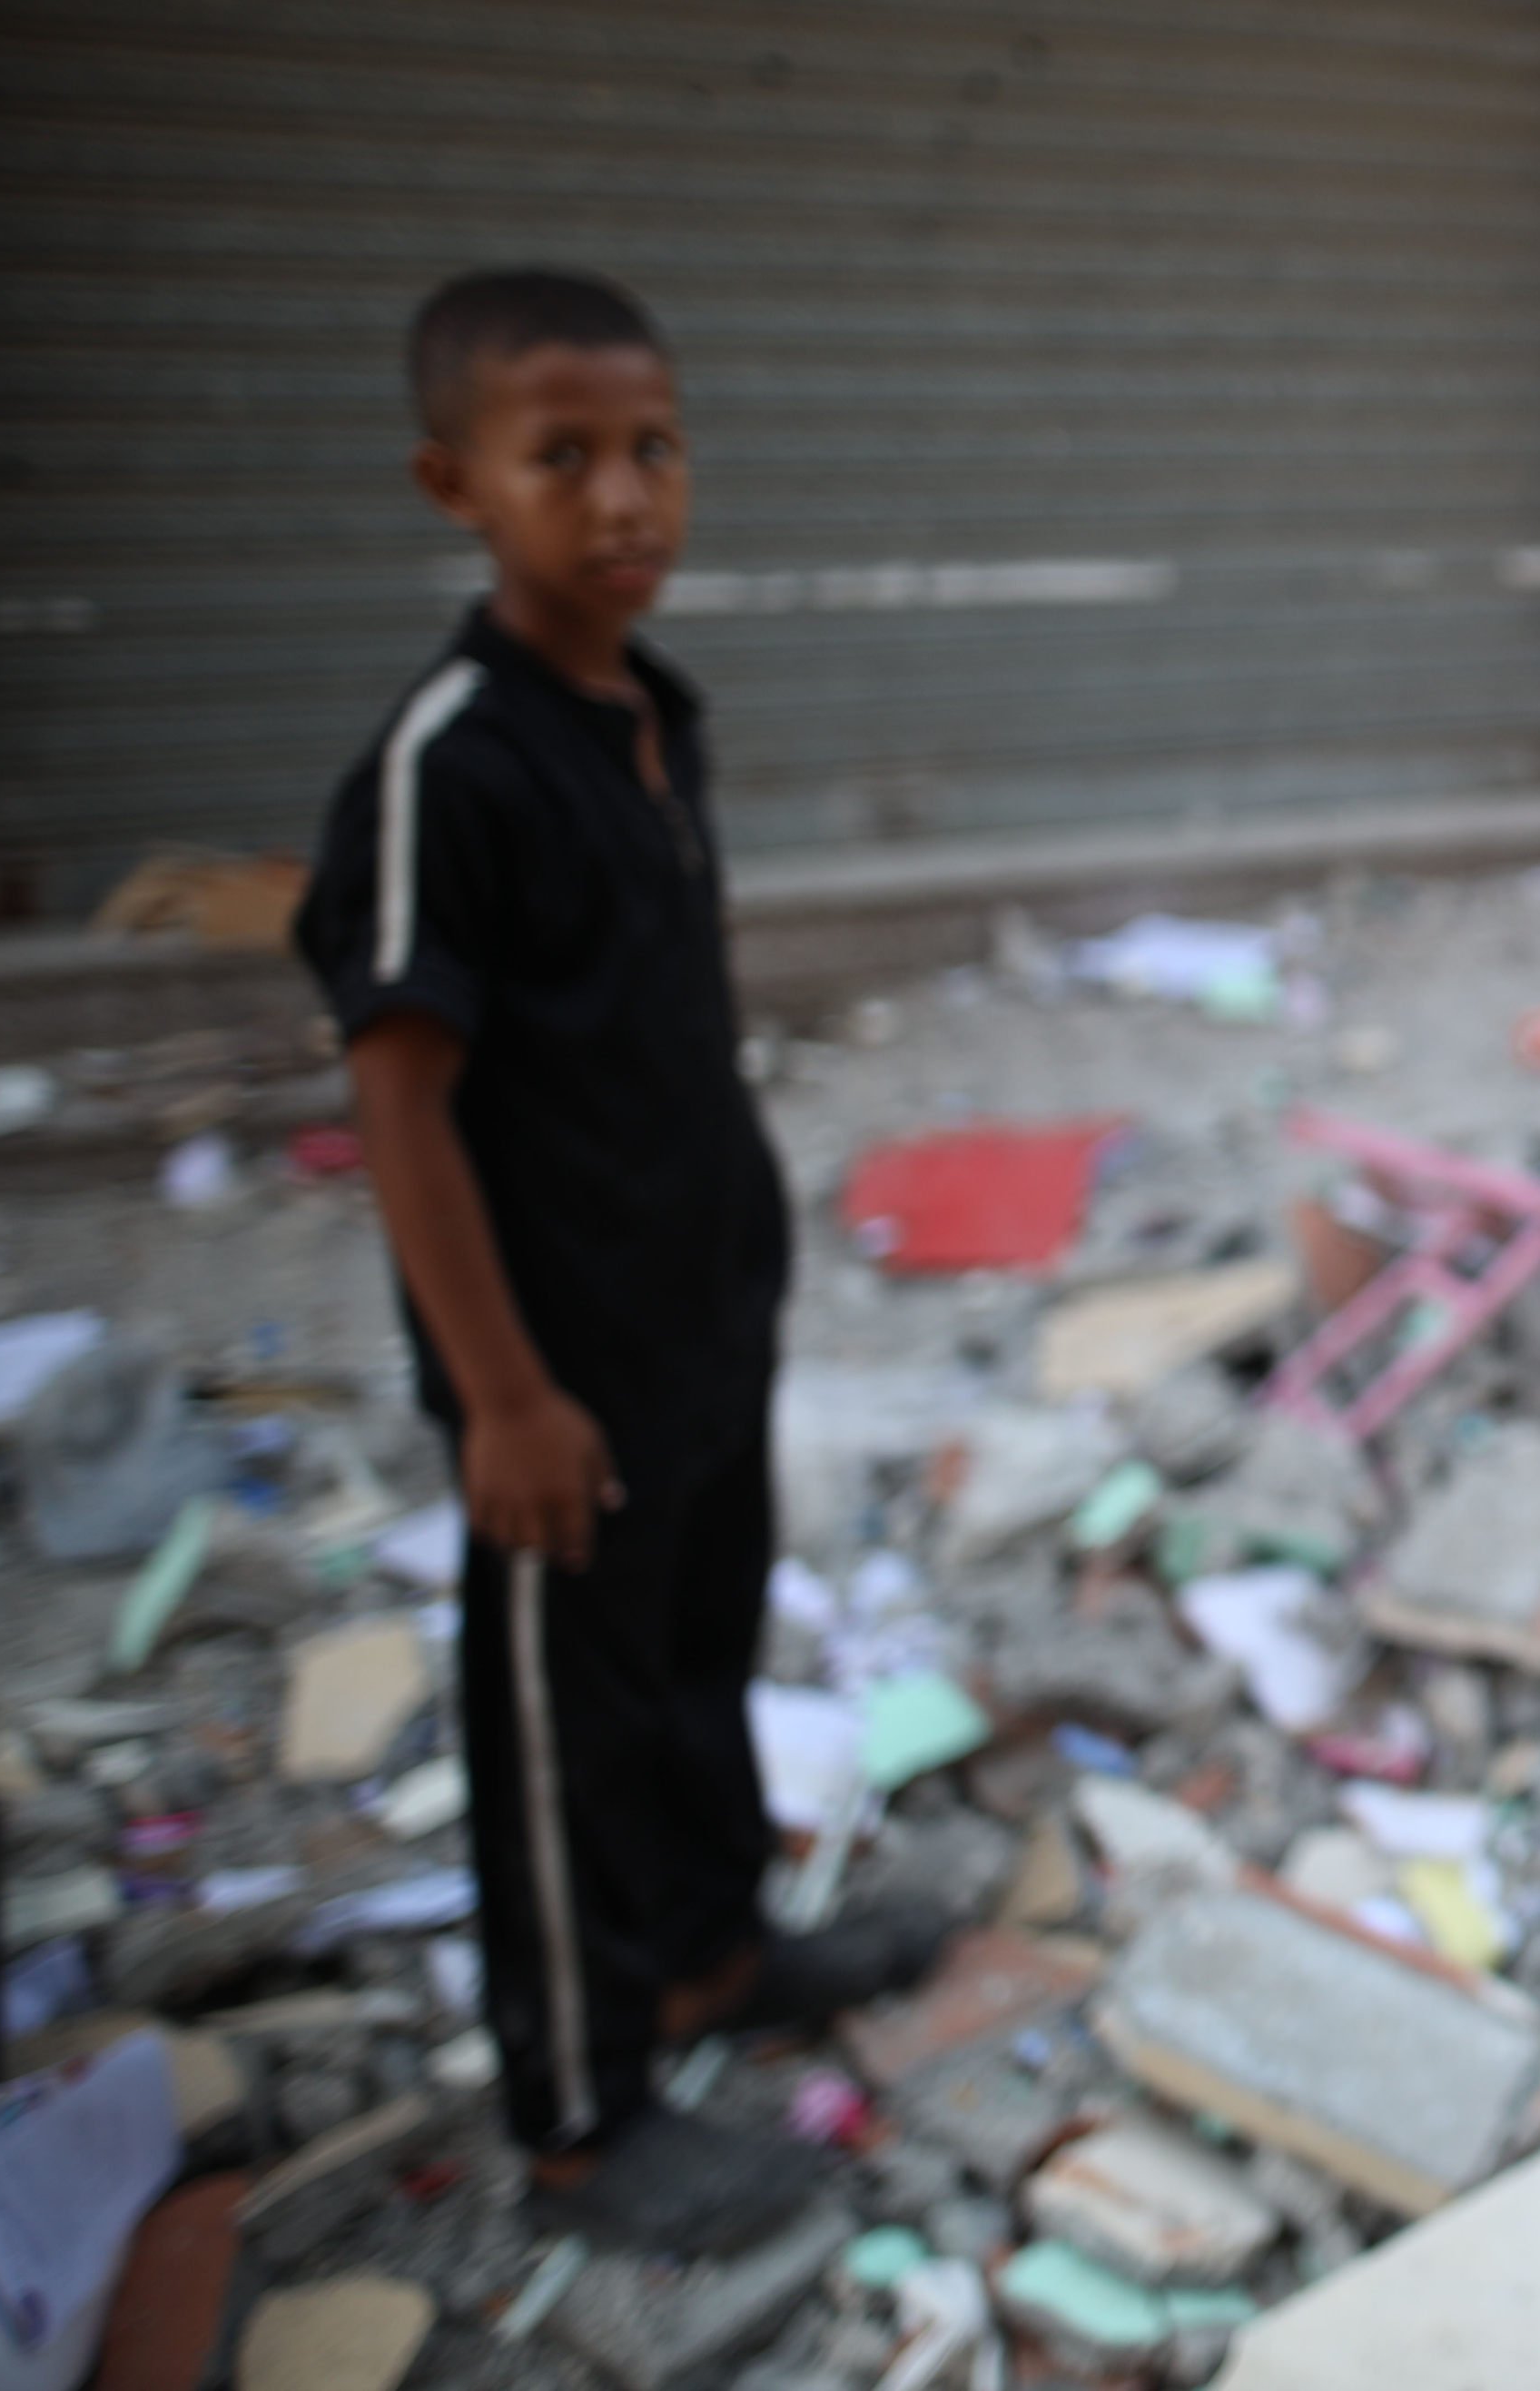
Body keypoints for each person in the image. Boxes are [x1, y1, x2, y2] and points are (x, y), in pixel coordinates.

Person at [293, 270, 938, 2254]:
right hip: (550, 1366)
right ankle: (578, 2111)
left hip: (694, 1323)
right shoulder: (451, 761)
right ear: (452, 486)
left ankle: (707, 1955)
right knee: (560, 1723)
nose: (621, 497)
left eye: (652, 448)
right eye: (557, 458)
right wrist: (500, 1393)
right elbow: (402, 1100)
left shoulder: (649, 716)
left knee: (690, 1655)